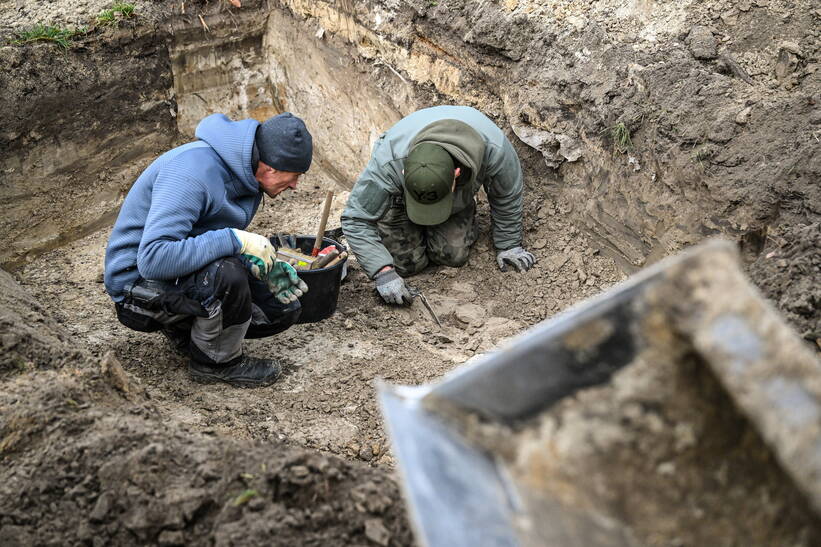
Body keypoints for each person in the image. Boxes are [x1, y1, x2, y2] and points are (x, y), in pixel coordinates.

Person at [104, 112, 313, 388]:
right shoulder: (192, 175)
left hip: (175, 271)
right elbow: (153, 259)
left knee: (281, 309)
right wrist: (237, 242)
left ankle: (188, 332)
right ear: (270, 167)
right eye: (294, 176)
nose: (296, 185)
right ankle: (215, 363)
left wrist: (262, 264)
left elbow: (204, 237)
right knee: (228, 274)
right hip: (137, 288)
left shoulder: (247, 174)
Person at [341, 105, 535, 305]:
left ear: (456, 174)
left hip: (456, 196)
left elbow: (506, 195)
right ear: (404, 173)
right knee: (405, 266)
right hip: (401, 200)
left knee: (453, 256)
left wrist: (509, 244)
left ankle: (459, 209)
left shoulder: (495, 149)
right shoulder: (389, 161)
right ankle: (400, 212)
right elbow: (355, 218)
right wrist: (382, 272)